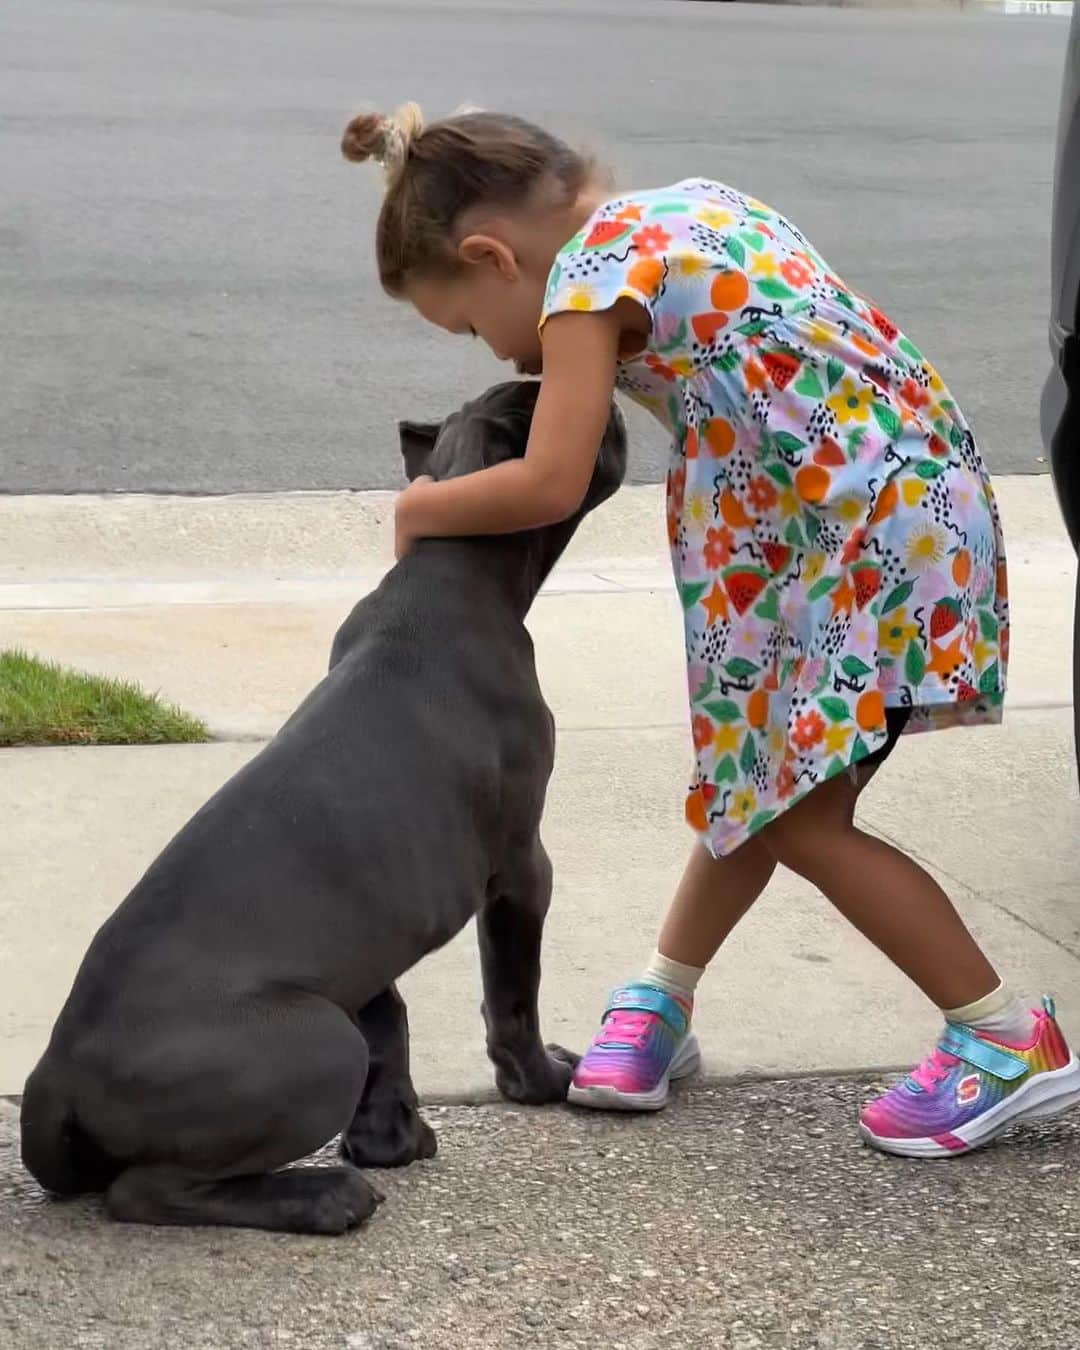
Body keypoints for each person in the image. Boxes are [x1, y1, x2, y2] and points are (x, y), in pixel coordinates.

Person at [341, 102, 1080, 1157]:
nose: (486, 351)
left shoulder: (588, 287)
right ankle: (663, 995)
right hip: (879, 512)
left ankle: (1006, 1038)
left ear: (490, 256)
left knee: (802, 820)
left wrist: (419, 507)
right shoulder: (689, 208)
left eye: (466, 325)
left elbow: (547, 480)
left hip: (846, 540)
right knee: (761, 786)